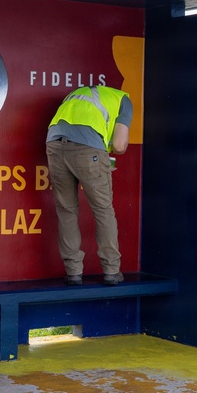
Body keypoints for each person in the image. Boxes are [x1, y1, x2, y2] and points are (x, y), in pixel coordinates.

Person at [46, 85, 132, 286]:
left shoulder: (80, 93)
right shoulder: (124, 101)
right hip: (88, 150)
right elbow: (119, 146)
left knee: (66, 210)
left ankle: (73, 272)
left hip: (54, 145)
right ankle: (111, 271)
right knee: (103, 210)